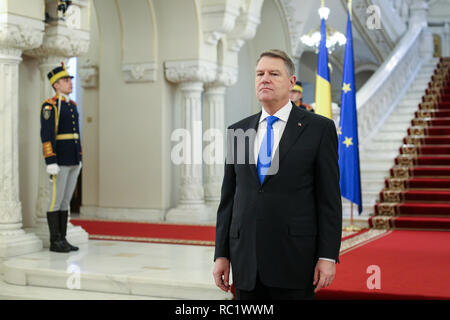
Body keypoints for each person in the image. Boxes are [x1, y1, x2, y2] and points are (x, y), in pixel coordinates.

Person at [213, 49, 342, 300]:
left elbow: (329, 201)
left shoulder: (319, 129)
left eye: (274, 73)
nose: (265, 79)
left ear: (291, 82)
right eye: (260, 74)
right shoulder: (238, 131)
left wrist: (327, 256)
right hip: (246, 261)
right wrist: (222, 254)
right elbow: (229, 199)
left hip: (295, 259)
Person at [40, 62, 82, 253]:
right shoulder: (50, 106)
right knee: (56, 200)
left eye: (69, 80)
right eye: (65, 80)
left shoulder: (71, 106)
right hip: (60, 159)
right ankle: (54, 241)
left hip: (73, 158)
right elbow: (47, 134)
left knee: (66, 200)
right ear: (56, 85)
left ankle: (63, 239)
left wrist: (79, 156)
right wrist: (50, 160)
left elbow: (76, 134)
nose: (69, 83)